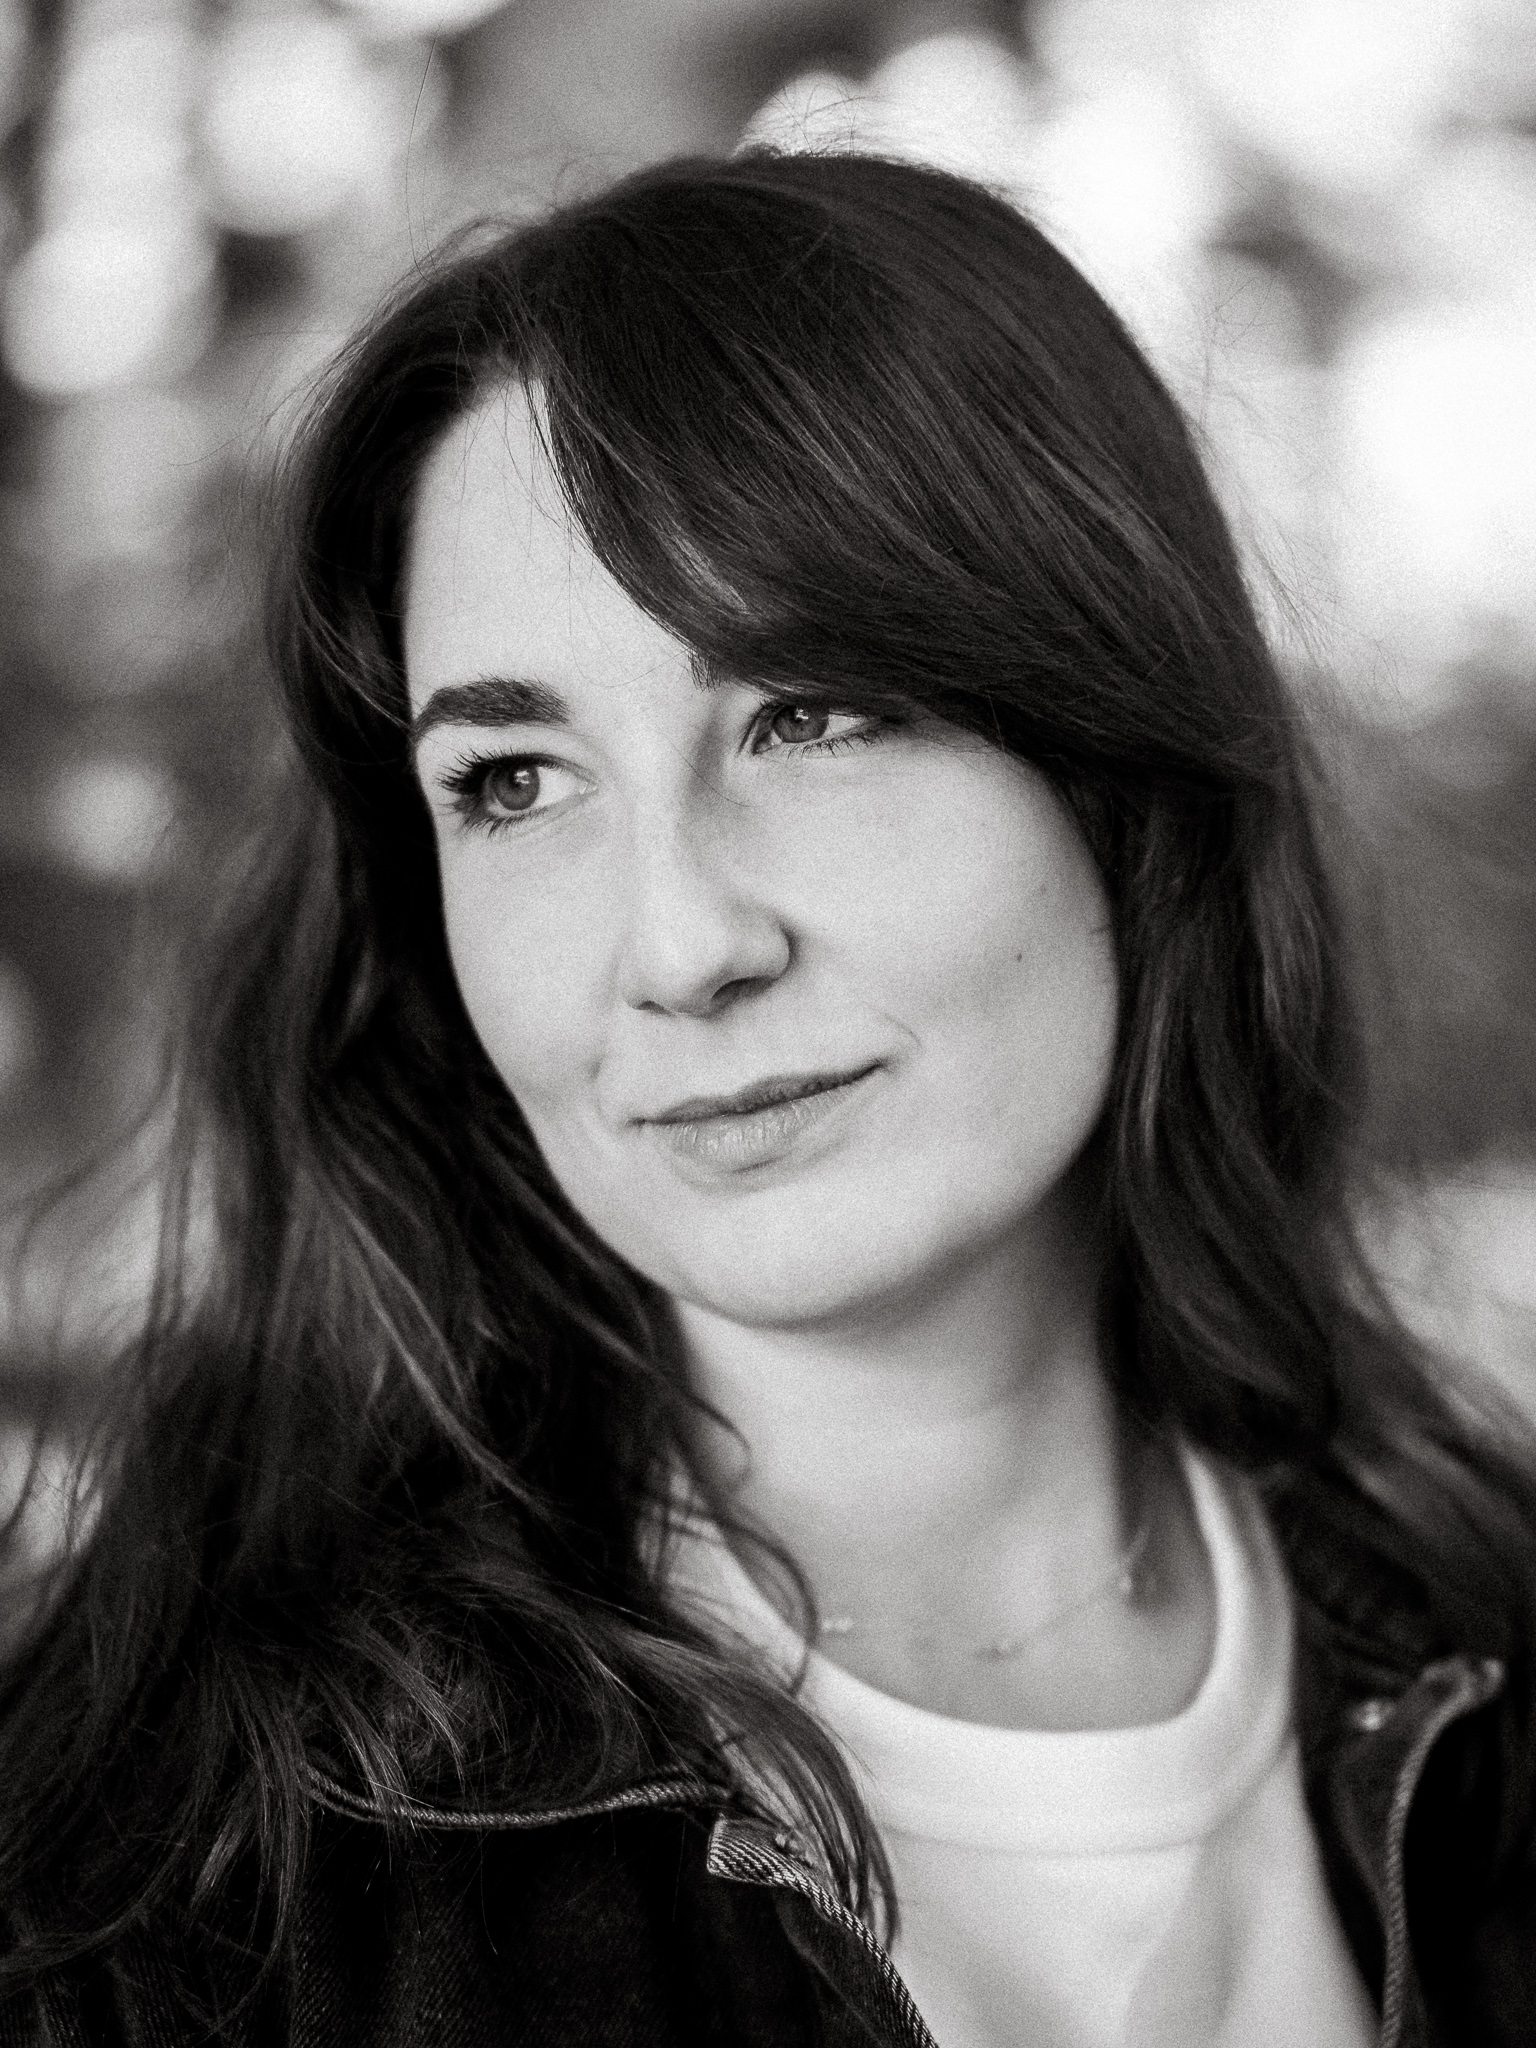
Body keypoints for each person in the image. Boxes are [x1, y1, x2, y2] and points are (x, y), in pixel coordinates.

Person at [1, 148, 1533, 2048]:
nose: (680, 943)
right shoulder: (185, 1884)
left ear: (1121, 764)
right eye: (512, 782)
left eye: (810, 716)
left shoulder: (1484, 1645)